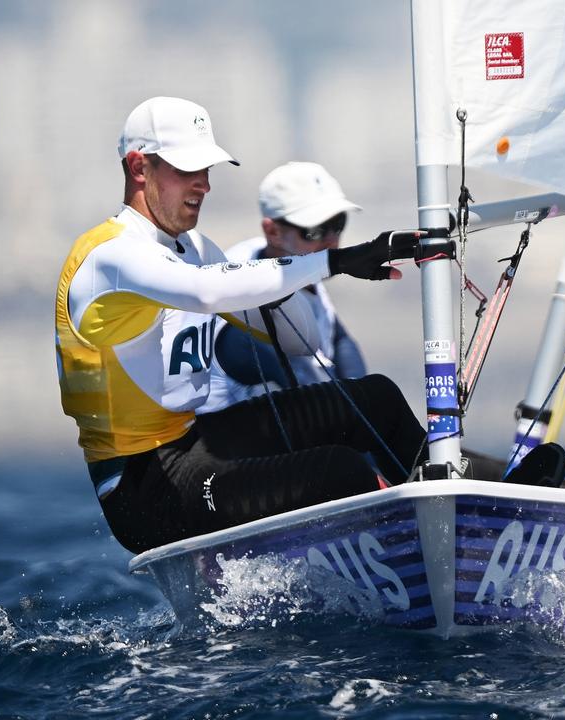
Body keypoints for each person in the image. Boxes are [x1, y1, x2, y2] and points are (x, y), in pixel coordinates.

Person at [54, 96, 428, 554]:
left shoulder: (193, 247)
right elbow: (204, 292)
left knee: (376, 400)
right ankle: (421, 551)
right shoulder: (107, 256)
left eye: (207, 169)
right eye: (187, 170)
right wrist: (339, 259)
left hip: (194, 441)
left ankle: (459, 506)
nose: (204, 185)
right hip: (142, 488)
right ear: (139, 168)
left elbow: (300, 340)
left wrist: (278, 277)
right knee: (340, 469)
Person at [206, 162, 368, 404]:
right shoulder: (241, 280)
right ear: (273, 232)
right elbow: (292, 371)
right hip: (216, 431)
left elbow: (340, 340)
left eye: (338, 224)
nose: (332, 240)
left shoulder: (297, 262)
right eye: (316, 230)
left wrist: (363, 394)